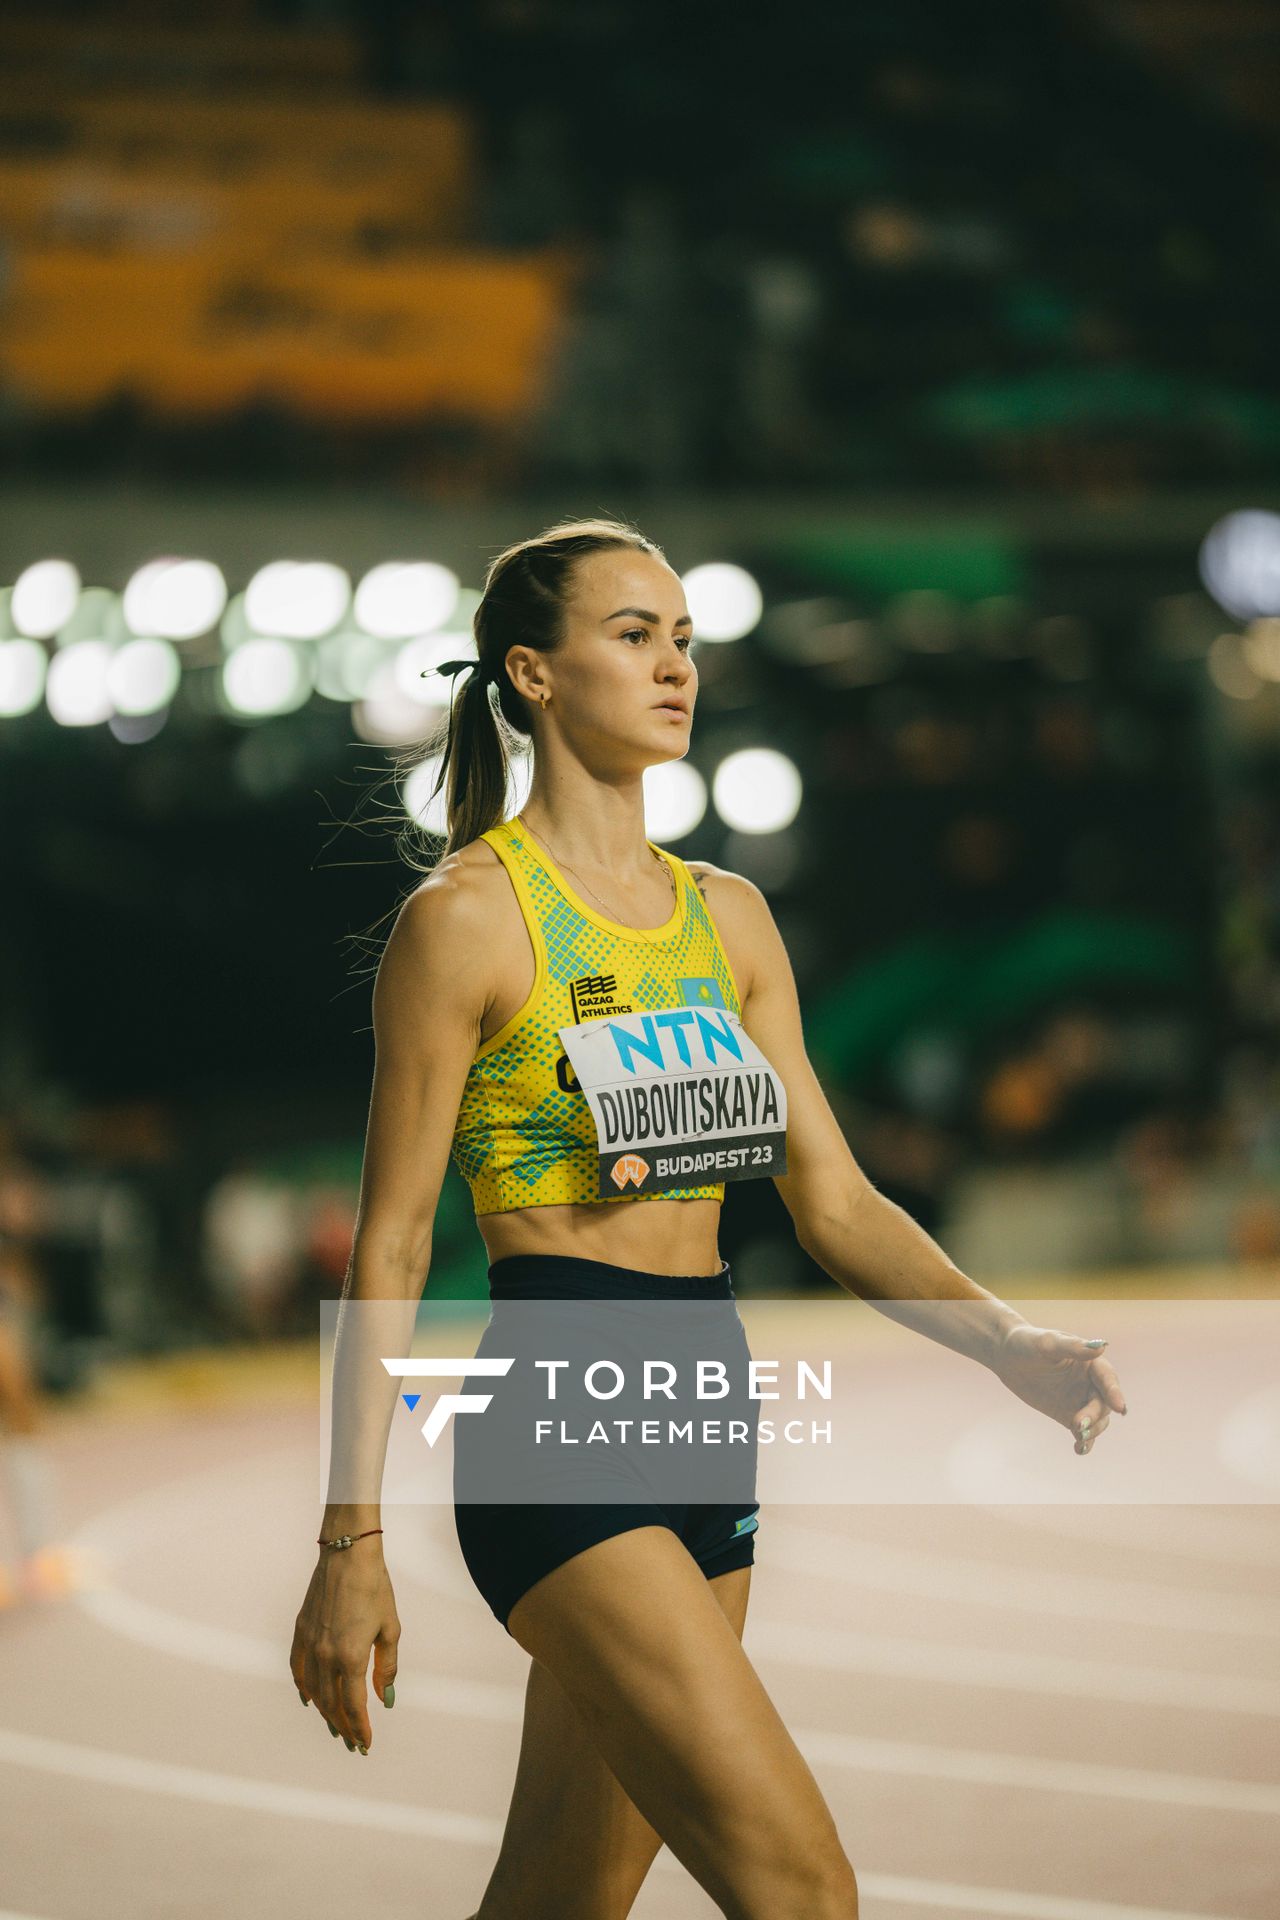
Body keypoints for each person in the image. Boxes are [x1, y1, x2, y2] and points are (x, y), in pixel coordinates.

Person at [291, 517, 1128, 1920]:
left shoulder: (729, 919)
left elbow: (838, 1201)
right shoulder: (470, 920)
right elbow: (387, 1244)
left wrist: (1008, 1342)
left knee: (561, 1898)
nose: (675, 665)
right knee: (803, 1890)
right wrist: (348, 1546)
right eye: (633, 636)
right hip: (558, 1413)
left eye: (684, 638)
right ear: (536, 676)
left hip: (707, 1402)